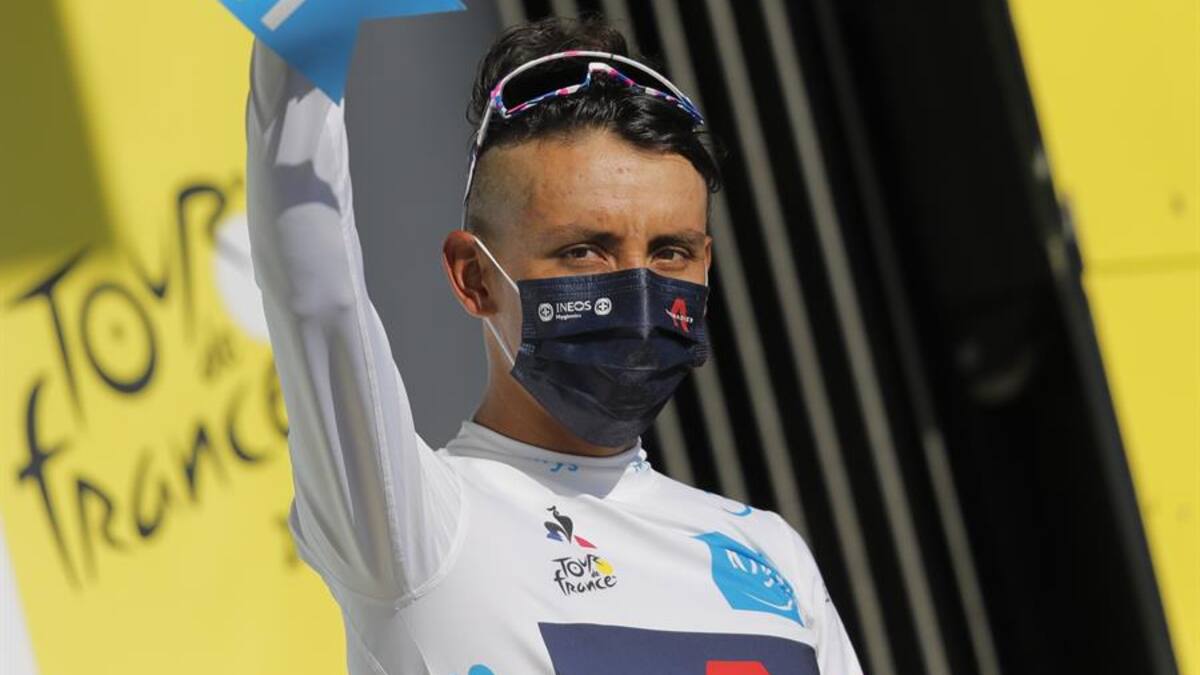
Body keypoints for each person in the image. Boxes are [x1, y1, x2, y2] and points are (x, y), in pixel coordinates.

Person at [246, 14, 862, 675]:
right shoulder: (414, 531)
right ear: (474, 277)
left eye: (670, 251)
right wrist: (306, 23)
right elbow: (314, 280)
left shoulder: (771, 553)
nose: (639, 291)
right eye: (585, 250)